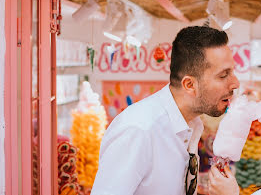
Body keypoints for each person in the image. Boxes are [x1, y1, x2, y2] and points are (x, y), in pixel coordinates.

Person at [91, 26, 240, 195]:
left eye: (232, 72)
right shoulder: (138, 131)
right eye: (223, 75)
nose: (235, 83)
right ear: (190, 85)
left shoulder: (191, 124)